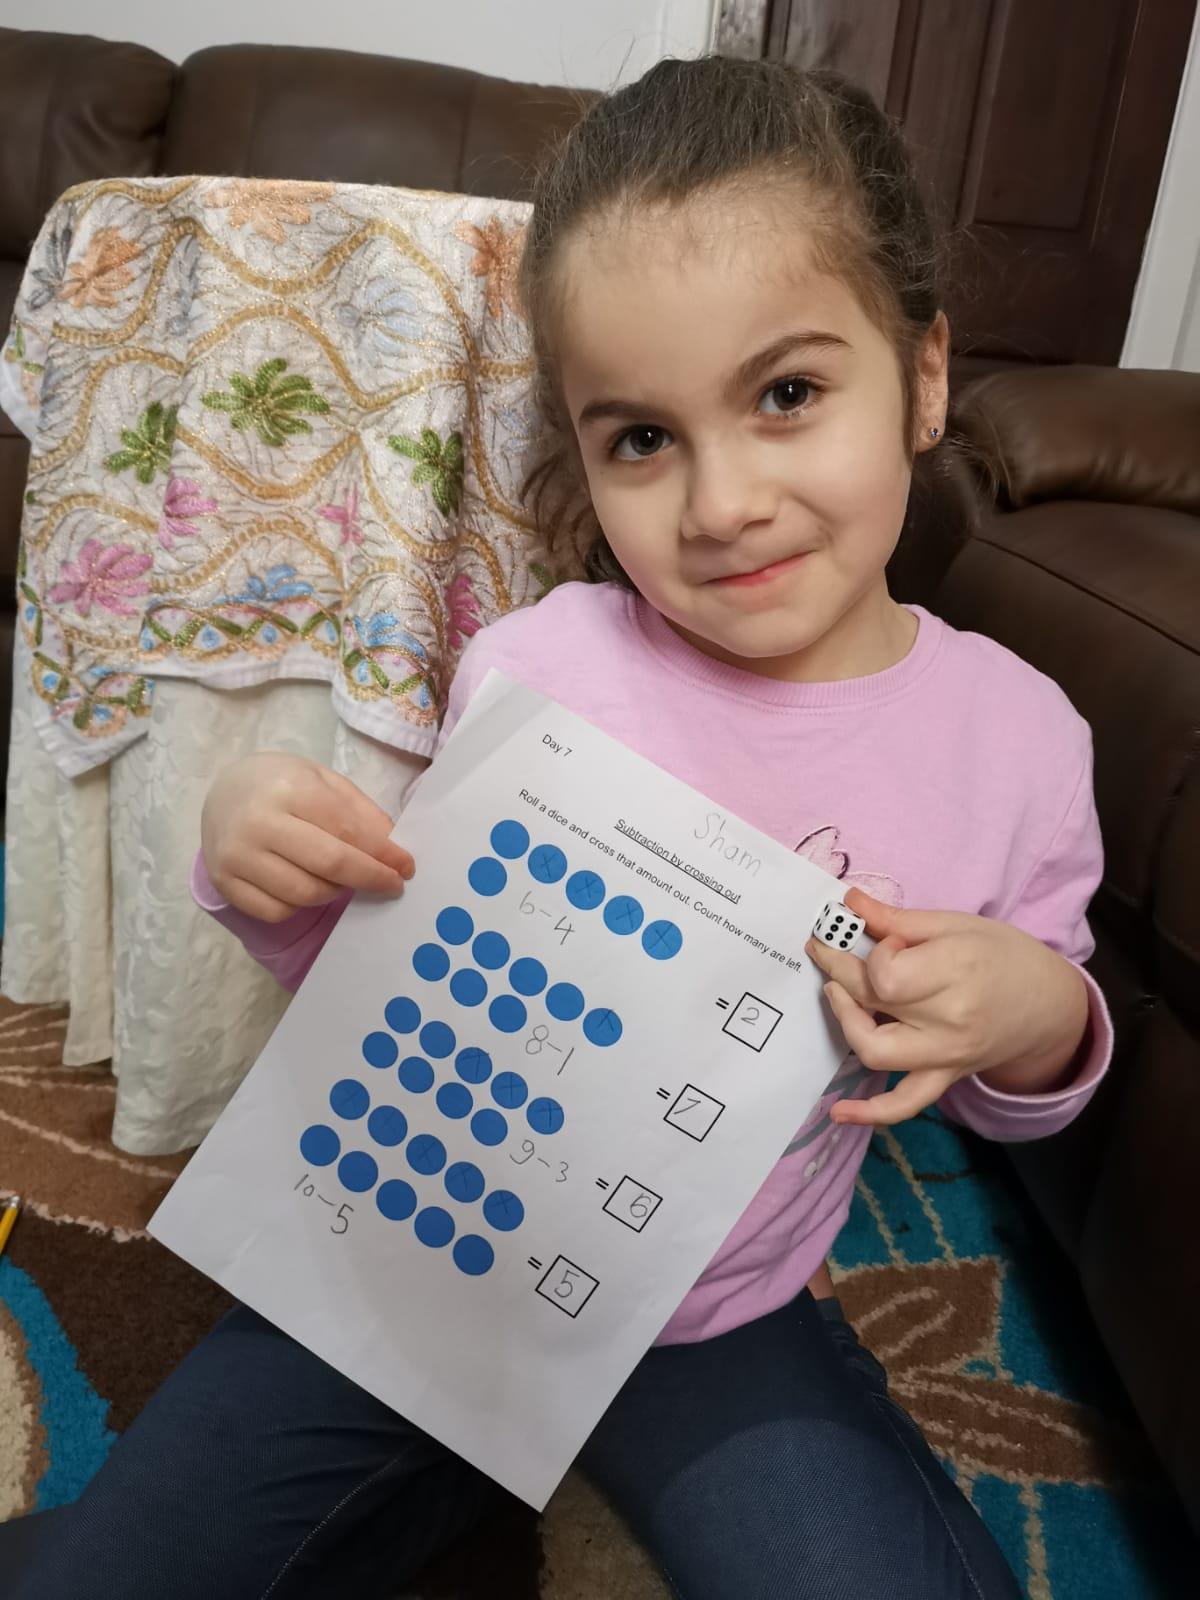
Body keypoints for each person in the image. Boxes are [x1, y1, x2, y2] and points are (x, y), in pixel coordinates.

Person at [10, 56, 1110, 1600]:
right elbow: (407, 969)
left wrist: (1035, 1011)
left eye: (788, 396)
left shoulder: (1020, 741)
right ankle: (439, 1480)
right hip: (422, 1248)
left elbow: (1024, 1089)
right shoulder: (543, 665)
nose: (721, 504)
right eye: (641, 438)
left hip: (716, 1317)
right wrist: (266, 859)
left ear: (924, 376)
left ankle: (458, 1484)